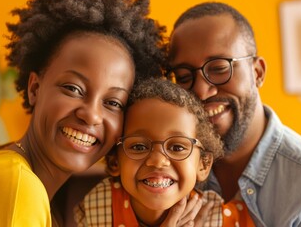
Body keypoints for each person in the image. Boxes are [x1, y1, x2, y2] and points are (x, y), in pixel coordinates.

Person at [0, 0, 167, 226]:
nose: (91, 115)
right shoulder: (16, 187)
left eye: (112, 102)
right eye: (73, 89)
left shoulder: (18, 177)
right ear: (35, 88)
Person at [165, 2, 301, 226]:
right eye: (184, 77)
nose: (200, 90)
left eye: (219, 69)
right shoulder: (162, 168)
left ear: (257, 72)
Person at [73, 78, 225, 226]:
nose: (158, 160)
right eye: (139, 147)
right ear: (114, 161)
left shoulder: (216, 217)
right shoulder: (97, 206)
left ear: (203, 165)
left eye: (177, 148)